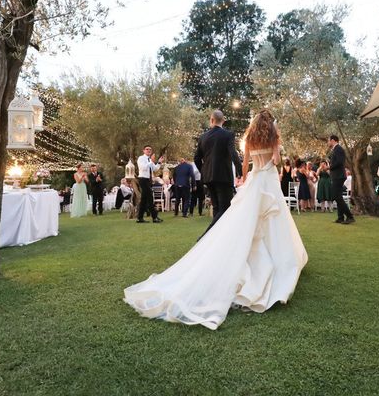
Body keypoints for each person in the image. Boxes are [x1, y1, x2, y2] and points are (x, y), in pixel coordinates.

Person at [124, 109, 308, 330]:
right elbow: (275, 160)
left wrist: (233, 173)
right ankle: (276, 259)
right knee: (271, 222)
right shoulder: (269, 138)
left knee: (239, 219)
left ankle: (214, 239)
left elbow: (243, 162)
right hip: (266, 181)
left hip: (249, 179)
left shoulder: (246, 138)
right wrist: (272, 152)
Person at [194, 109, 242, 233]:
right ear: (223, 121)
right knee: (225, 208)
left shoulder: (203, 137)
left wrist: (204, 171)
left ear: (211, 120)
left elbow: (196, 158)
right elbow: (233, 153)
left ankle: (215, 242)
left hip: (208, 177)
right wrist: (240, 171)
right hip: (223, 177)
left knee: (217, 208)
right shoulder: (228, 135)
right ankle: (206, 236)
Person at [328, 135, 355, 224]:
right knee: (338, 197)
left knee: (337, 197)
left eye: (329, 140)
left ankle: (350, 216)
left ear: (332, 140)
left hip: (338, 176)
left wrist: (329, 167)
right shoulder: (336, 149)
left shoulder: (338, 149)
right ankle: (340, 217)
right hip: (337, 176)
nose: (328, 142)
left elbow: (339, 162)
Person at [136, 145, 164, 223]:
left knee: (144, 200)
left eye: (150, 149)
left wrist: (159, 162)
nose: (149, 150)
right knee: (150, 198)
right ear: (143, 150)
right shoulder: (141, 158)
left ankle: (139, 218)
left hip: (148, 180)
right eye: (147, 149)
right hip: (143, 179)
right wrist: (150, 161)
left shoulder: (149, 160)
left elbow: (155, 168)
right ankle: (154, 217)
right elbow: (142, 168)